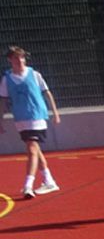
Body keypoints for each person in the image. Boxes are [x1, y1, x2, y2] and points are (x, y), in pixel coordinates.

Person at [0, 46, 61, 199]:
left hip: (36, 116)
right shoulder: (6, 79)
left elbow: (47, 93)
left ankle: (28, 185)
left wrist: (55, 112)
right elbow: (3, 101)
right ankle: (49, 180)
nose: (20, 60)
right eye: (16, 58)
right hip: (21, 118)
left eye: (22, 57)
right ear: (10, 60)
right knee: (34, 148)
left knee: (32, 148)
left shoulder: (34, 74)